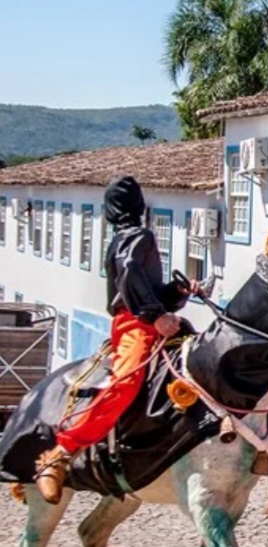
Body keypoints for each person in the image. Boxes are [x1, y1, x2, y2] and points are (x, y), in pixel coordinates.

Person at [34, 176, 199, 504]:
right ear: (138, 205)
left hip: (150, 319)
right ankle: (62, 450)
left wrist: (175, 293)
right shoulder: (136, 236)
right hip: (136, 325)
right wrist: (155, 315)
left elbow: (143, 284)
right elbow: (129, 272)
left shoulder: (131, 237)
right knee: (124, 382)